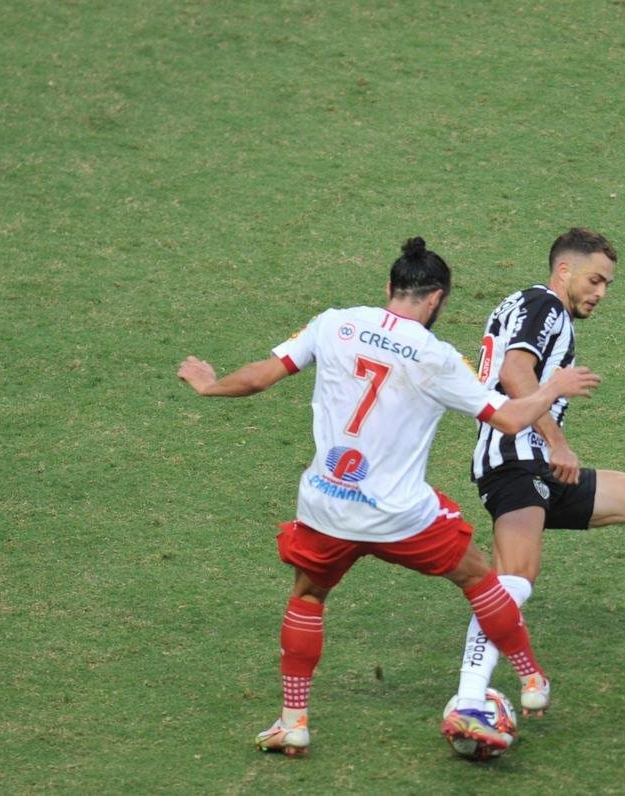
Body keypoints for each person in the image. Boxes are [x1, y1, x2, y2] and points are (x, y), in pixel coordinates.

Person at [177, 237, 601, 757]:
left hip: (327, 505)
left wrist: (210, 384)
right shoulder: (438, 358)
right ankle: (532, 679)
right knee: (479, 578)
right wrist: (552, 387)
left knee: (308, 597)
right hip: (401, 516)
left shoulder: (334, 322)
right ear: (438, 299)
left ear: (389, 288)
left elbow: (261, 376)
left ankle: (293, 721)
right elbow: (512, 419)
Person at [453, 228, 625, 719]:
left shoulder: (519, 304)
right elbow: (516, 374)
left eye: (607, 285)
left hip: (534, 465)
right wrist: (558, 443)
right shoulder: (546, 307)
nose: (600, 293)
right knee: (513, 580)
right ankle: (469, 700)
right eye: (596, 280)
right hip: (517, 462)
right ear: (565, 270)